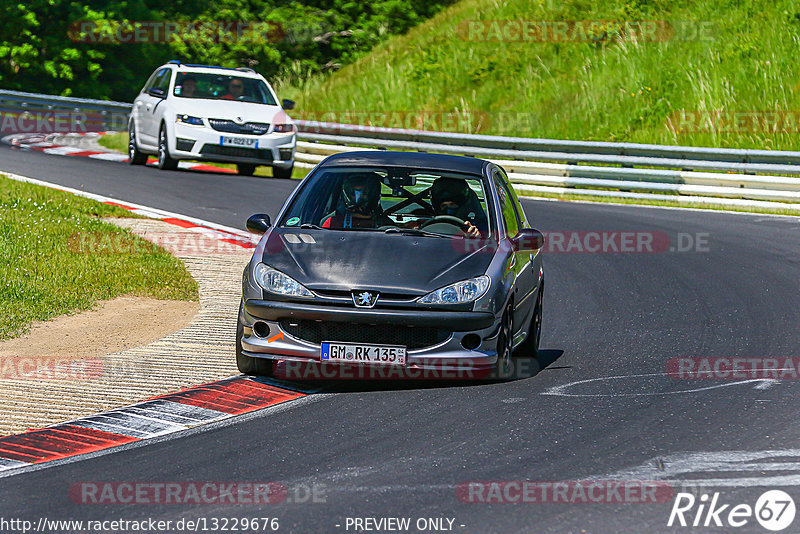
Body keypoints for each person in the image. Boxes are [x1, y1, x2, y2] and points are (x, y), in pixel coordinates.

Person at [322, 173, 391, 229]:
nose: (358, 198)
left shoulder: (386, 226)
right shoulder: (332, 223)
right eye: (353, 193)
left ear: (373, 194)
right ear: (347, 194)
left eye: (364, 193)